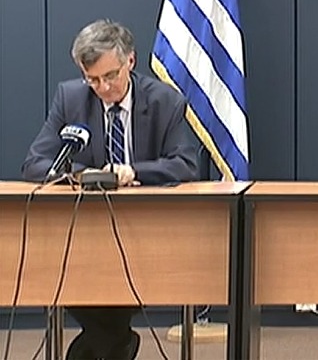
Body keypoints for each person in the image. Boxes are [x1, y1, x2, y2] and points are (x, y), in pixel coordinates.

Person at [22, 19, 198, 360]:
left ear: (130, 60)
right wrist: (81, 175)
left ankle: (106, 344)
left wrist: (134, 172)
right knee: (61, 266)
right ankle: (117, 341)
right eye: (92, 79)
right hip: (83, 232)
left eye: (110, 76)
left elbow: (185, 165)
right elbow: (35, 163)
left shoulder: (165, 101)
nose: (102, 87)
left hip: (146, 233)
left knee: (113, 281)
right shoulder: (70, 98)